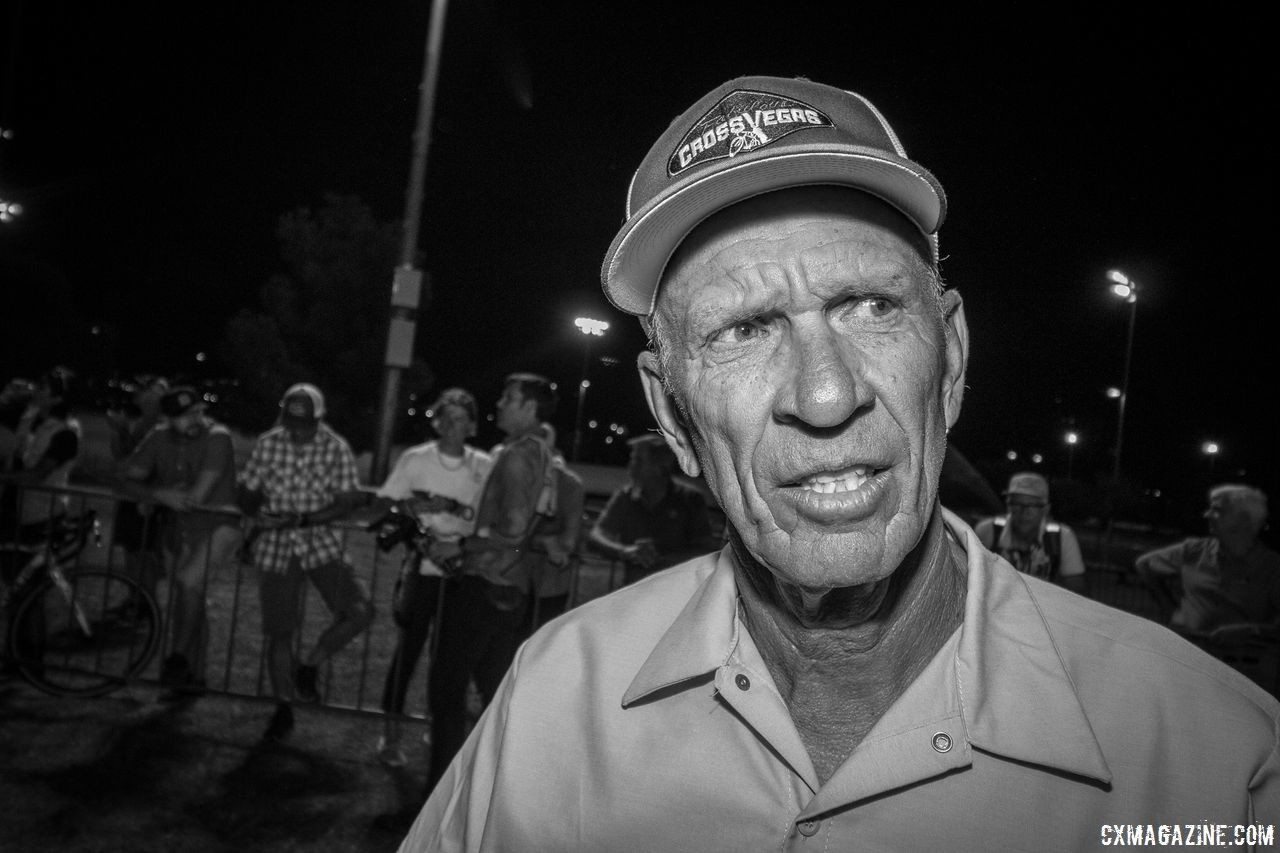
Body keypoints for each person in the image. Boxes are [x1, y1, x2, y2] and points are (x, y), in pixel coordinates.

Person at [400, 76, 1279, 850]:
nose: (825, 396)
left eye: (868, 304)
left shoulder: (1216, 768)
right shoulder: (552, 701)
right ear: (671, 413)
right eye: (743, 330)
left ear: (954, 360)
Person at [424, 373, 559, 792]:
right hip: (506, 589)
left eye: (509, 397)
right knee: (493, 696)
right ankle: (492, 792)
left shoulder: (520, 453)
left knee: (447, 695)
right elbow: (524, 532)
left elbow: (515, 530)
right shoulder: (541, 451)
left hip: (484, 587)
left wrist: (460, 546)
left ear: (529, 407)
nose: (499, 403)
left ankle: (439, 799)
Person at [237, 383, 374, 741]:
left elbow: (346, 501)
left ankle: (309, 665)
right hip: (276, 548)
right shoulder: (269, 443)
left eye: (305, 425)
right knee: (280, 632)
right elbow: (247, 491)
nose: (296, 432)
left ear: (319, 418)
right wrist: (254, 508)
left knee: (360, 611)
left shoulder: (335, 447)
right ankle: (283, 704)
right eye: (291, 422)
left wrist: (302, 519)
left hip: (321, 544)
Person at [373, 388, 492, 767]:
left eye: (461, 420)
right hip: (421, 571)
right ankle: (389, 736)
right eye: (446, 418)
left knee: (446, 660)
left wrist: (455, 513)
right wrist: (414, 506)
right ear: (436, 421)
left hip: (461, 574)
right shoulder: (416, 459)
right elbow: (385, 502)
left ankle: (436, 728)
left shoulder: (484, 465)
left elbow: (488, 516)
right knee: (406, 654)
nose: (453, 427)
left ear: (472, 426)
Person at [118, 385, 240, 697]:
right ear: (167, 419)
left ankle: (177, 658)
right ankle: (193, 678)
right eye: (186, 416)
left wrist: (153, 493)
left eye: (199, 412)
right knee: (189, 599)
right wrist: (159, 493)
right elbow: (124, 477)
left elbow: (196, 495)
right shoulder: (158, 437)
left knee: (187, 583)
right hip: (180, 528)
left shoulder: (218, 437)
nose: (196, 419)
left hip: (220, 525)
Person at [1135, 484, 1280, 640]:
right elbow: (1144, 565)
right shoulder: (1194, 550)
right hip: (1186, 650)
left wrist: (1253, 631)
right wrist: (1171, 610)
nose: (1207, 515)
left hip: (1240, 661)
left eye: (1217, 510)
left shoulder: (1272, 567)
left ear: (1244, 519)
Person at [589, 433, 720, 586]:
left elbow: (706, 548)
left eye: (638, 461)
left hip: (676, 594)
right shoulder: (625, 497)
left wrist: (660, 557)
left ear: (660, 466)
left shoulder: (689, 499)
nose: (631, 467)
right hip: (633, 593)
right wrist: (625, 551)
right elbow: (597, 535)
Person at [973, 471, 1086, 592]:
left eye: (1032, 505)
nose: (1024, 511)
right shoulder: (988, 530)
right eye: (1016, 503)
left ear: (1045, 509)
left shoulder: (1061, 536)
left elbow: (1076, 590)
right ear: (1008, 505)